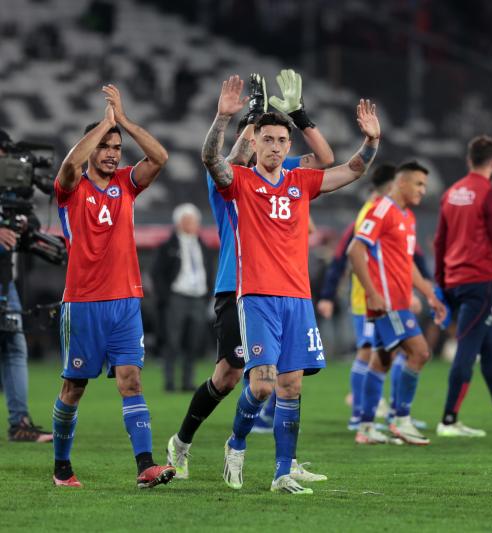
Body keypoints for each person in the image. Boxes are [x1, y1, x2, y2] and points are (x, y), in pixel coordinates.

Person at [202, 75, 380, 494]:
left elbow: (352, 169)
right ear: (258, 143)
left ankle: (283, 472)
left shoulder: (300, 182)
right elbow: (212, 158)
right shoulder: (241, 183)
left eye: (283, 140)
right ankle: (237, 442)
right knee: (261, 385)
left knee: (291, 385)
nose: (277, 146)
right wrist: (223, 118)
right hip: (257, 296)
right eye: (269, 139)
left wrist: (371, 142)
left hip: (297, 297)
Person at [166, 70, 333, 484]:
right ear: (249, 142)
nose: (267, 145)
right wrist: (242, 119)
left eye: (274, 138)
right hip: (236, 285)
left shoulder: (282, 167)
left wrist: (289, 116)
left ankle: (285, 461)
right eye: (258, 137)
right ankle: (182, 442)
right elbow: (230, 159)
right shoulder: (229, 176)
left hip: (281, 289)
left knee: (281, 378)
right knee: (228, 376)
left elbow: (318, 165)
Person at [51, 84, 175, 488]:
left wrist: (122, 121)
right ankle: (62, 468)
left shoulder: (127, 183)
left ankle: (145, 465)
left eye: (116, 146)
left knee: (131, 380)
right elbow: (69, 166)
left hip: (125, 301)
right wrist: (102, 125)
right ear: (91, 149)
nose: (112, 152)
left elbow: (159, 157)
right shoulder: (72, 190)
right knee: (74, 387)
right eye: (105, 145)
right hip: (83, 302)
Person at [316, 163, 429, 431]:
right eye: (417, 184)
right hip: (372, 297)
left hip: (388, 296)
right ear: (395, 185)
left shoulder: (400, 215)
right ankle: (372, 415)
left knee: (384, 355)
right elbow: (347, 251)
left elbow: (408, 256)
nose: (421, 190)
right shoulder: (376, 211)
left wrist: (423, 289)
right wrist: (329, 294)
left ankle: (375, 417)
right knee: (379, 353)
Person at [432, 135, 492, 437]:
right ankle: (448, 419)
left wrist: (440, 284)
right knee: (467, 350)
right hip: (479, 282)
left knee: (491, 350)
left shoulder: (451, 193)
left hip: (454, 280)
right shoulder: (490, 194)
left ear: (468, 160)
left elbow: (439, 243)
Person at [348, 161, 446, 445]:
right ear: (401, 183)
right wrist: (373, 293)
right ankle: (400, 419)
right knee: (420, 352)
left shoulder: (407, 217)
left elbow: (407, 263)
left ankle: (366, 427)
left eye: (425, 185)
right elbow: (355, 250)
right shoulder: (381, 209)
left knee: (382, 361)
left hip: (400, 300)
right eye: (418, 184)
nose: (423, 190)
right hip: (388, 303)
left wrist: (428, 293)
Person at [0, 131, 52, 443]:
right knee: (13, 347)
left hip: (6, 278)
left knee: (14, 346)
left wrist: (22, 226)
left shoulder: (12, 191)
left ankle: (19, 421)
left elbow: (30, 221)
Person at [151, 203, 213, 392]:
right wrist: (166, 297)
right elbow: (157, 273)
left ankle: (188, 381)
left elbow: (209, 271)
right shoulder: (168, 246)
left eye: (193, 221)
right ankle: (170, 382)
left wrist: (208, 295)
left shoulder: (203, 245)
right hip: (177, 297)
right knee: (172, 342)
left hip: (198, 298)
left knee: (193, 342)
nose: (191, 224)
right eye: (187, 221)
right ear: (178, 223)